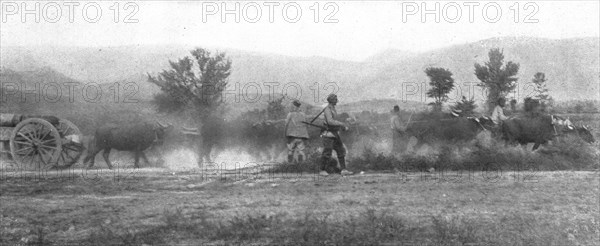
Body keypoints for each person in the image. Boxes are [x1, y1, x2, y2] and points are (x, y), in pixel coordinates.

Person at [320, 94, 353, 176]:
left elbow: (335, 122)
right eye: (335, 100)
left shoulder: (333, 109)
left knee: (341, 151)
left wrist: (341, 127)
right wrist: (341, 124)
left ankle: (343, 170)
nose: (336, 101)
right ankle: (322, 170)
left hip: (335, 134)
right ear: (331, 101)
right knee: (327, 152)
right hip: (328, 135)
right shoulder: (327, 109)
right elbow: (330, 121)